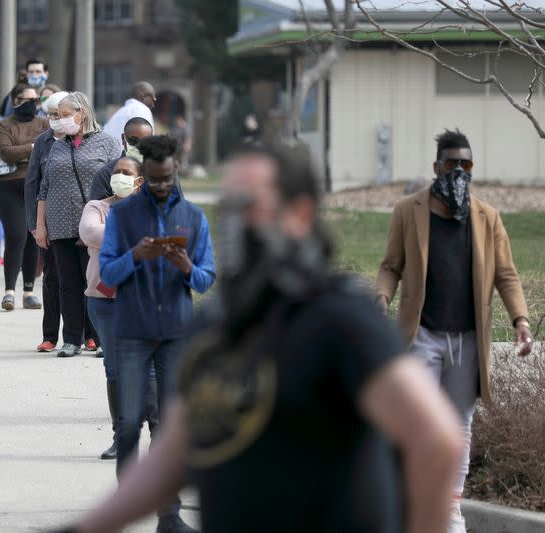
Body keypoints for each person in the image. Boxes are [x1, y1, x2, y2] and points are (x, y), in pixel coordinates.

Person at [60, 143, 466, 533]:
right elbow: (172, 457)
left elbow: (436, 440)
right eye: (231, 207)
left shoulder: (340, 319)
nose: (239, 222)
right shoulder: (217, 329)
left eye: (253, 206)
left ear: (301, 213)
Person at [376, 129, 534, 533]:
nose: (460, 172)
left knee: (458, 425)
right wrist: (382, 298)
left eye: (467, 165)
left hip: (467, 340)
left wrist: (521, 320)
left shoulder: (487, 217)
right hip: (423, 336)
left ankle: (449, 512)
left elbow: (506, 274)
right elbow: (391, 265)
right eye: (452, 164)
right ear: (436, 168)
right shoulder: (409, 211)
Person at [93, 135, 214, 533]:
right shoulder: (124, 216)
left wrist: (185, 266)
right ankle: (122, 509)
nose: (162, 186)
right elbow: (107, 274)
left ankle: (169, 515)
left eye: (167, 178)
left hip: (177, 333)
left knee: (169, 424)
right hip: (132, 330)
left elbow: (205, 278)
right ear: (143, 174)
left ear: (175, 169)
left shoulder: (194, 218)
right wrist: (135, 256)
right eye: (155, 179)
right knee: (129, 423)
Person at [79, 156, 159, 461]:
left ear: (139, 180)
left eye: (127, 173)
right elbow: (90, 233)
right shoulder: (96, 208)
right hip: (104, 301)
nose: (120, 177)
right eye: (117, 173)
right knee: (114, 368)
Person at [35, 92, 118, 357]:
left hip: (94, 225)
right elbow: (43, 188)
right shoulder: (57, 146)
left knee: (95, 282)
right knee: (67, 283)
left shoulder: (108, 144)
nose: (59, 120)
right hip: (59, 225)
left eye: (64, 114)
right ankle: (71, 339)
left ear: (81, 113)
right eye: (57, 115)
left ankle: (101, 337)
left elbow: (120, 182)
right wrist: (41, 226)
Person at [0, 79, 49, 310]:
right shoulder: (3, 126)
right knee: (16, 236)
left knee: (33, 238)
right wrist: (33, 148)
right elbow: (6, 153)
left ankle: (28, 291)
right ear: (16, 102)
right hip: (9, 187)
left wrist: (26, 151)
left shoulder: (45, 123)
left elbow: (49, 150)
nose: (34, 104)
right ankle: (9, 291)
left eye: (37, 100)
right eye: (29, 100)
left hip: (35, 186)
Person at [25, 91, 69, 352]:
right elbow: (32, 184)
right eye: (51, 114)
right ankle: (50, 335)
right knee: (52, 278)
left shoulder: (85, 141)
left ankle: (89, 333)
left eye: (60, 115)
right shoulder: (43, 142)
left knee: (81, 280)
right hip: (49, 221)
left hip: (79, 222)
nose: (55, 119)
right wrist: (34, 224)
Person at [89, 117, 152, 201]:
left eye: (144, 142)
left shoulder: (161, 171)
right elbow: (97, 208)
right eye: (133, 141)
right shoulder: (105, 174)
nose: (139, 147)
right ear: (123, 139)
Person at [102, 82, 156, 152]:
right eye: (153, 99)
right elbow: (149, 143)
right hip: (128, 160)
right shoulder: (142, 109)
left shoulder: (119, 113)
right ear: (143, 96)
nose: (153, 105)